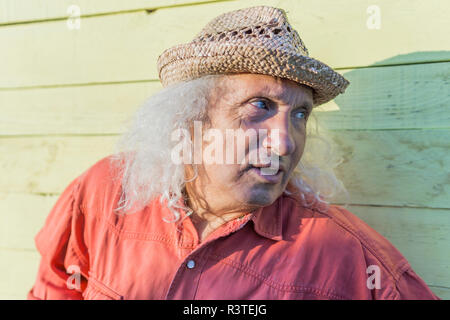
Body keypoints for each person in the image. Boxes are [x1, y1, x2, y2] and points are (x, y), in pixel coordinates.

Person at [27, 5, 440, 300]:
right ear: (190, 118)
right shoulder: (104, 191)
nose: (285, 142)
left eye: (300, 114)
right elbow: (57, 285)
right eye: (260, 106)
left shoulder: (347, 257)